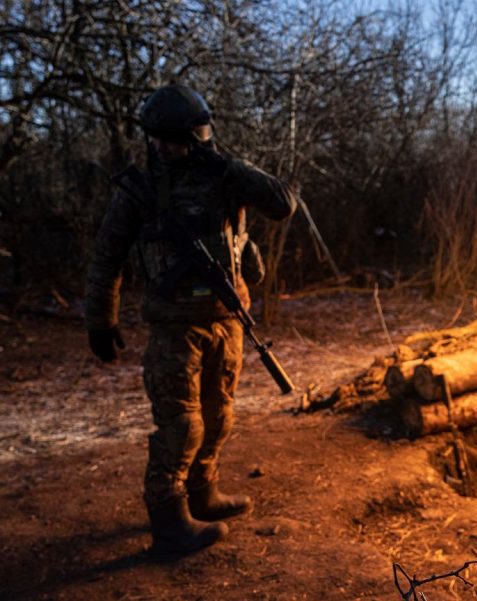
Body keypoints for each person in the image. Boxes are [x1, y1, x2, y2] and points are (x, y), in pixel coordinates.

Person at [85, 84, 297, 554]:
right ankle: (168, 519)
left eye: (172, 139)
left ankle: (203, 493)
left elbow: (283, 204)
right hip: (173, 327)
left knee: (219, 417)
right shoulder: (140, 190)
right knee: (181, 425)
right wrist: (100, 319)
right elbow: (107, 256)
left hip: (227, 319)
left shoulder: (224, 176)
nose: (161, 148)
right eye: (155, 138)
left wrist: (227, 167)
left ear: (197, 135)